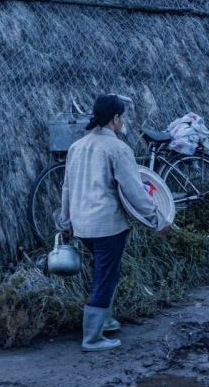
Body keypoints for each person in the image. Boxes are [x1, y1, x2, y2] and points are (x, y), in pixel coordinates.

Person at [55, 94, 170, 352]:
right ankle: (92, 338)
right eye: (122, 118)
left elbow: (66, 189)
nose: (123, 122)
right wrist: (157, 219)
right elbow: (134, 191)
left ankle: (105, 321)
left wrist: (65, 224)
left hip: (83, 225)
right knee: (105, 277)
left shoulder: (77, 146)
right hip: (107, 225)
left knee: (105, 271)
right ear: (115, 118)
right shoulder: (118, 149)